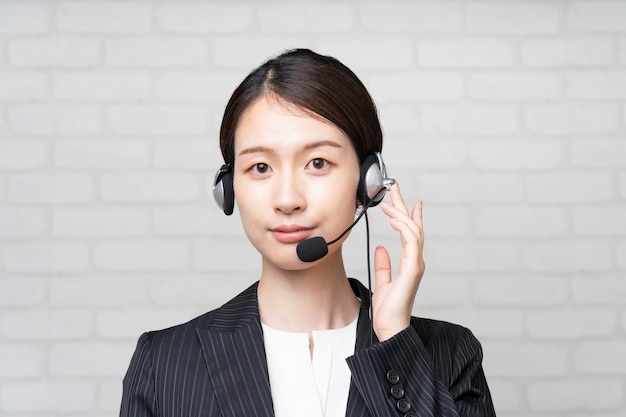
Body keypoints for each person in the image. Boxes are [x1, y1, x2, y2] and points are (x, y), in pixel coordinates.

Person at [120, 48, 495, 417]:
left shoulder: (450, 355)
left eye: (318, 163)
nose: (287, 199)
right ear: (229, 189)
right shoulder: (164, 362)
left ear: (368, 183)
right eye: (261, 167)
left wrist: (396, 342)